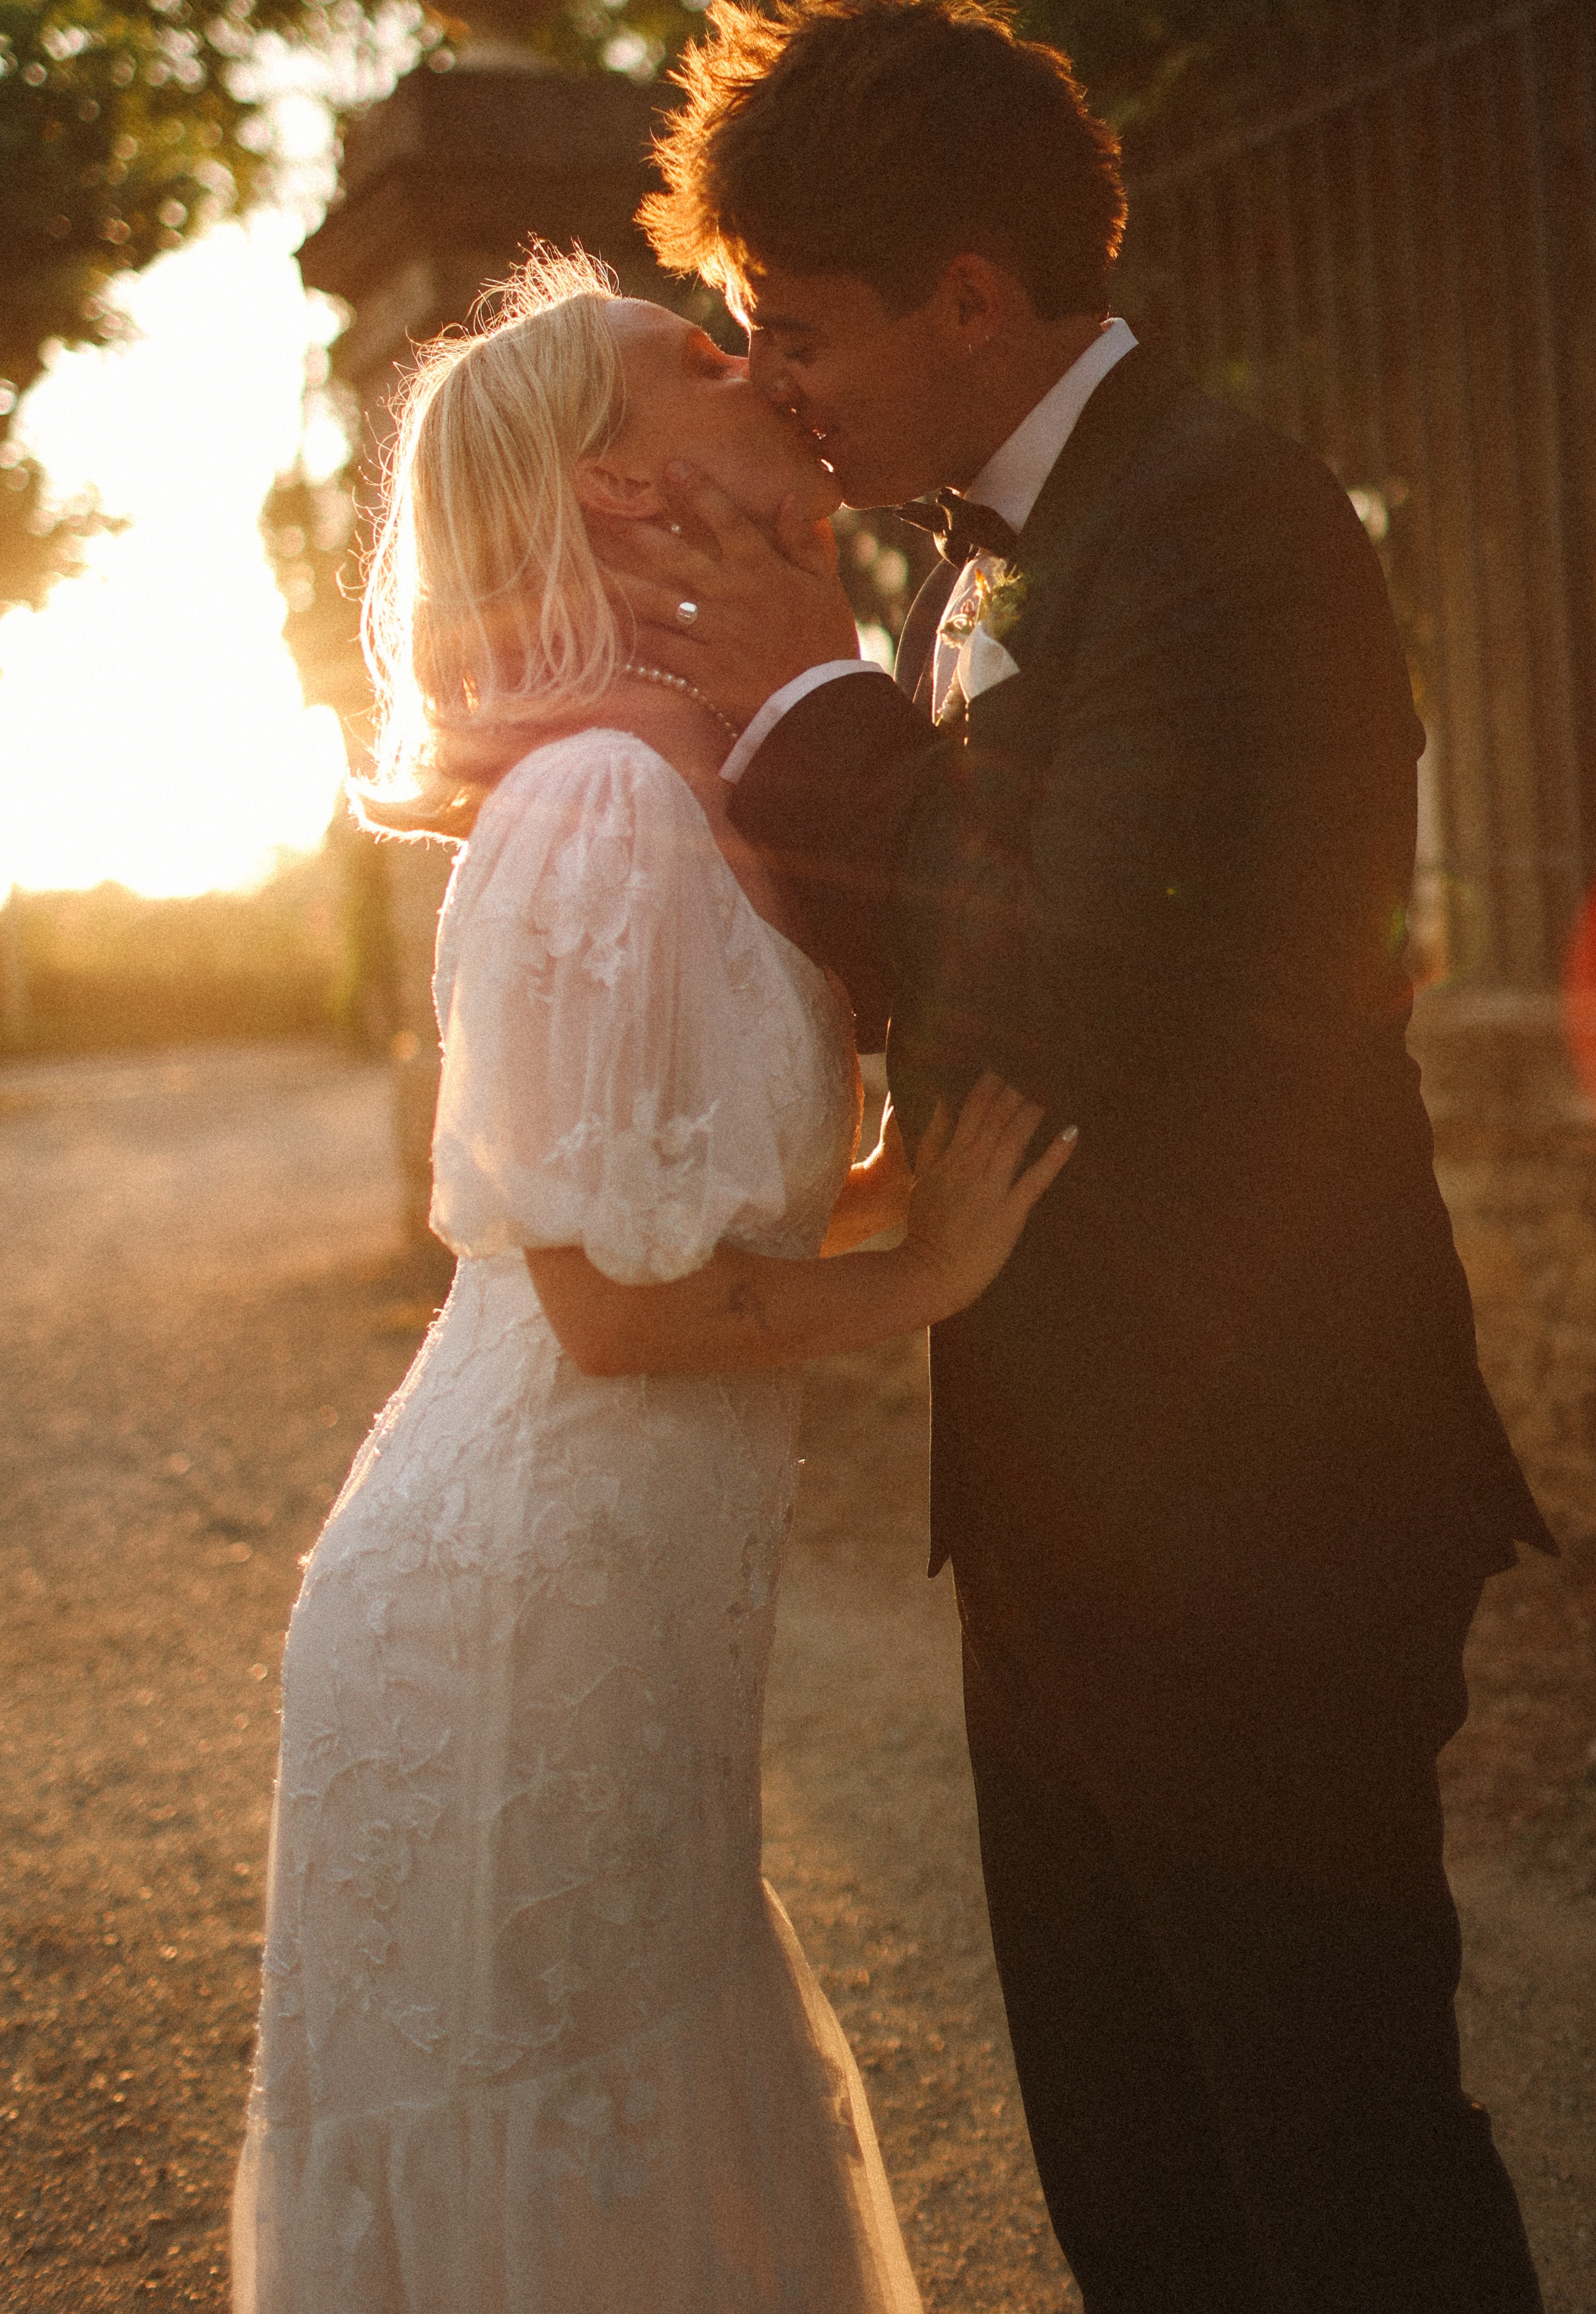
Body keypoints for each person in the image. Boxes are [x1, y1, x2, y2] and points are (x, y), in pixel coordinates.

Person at [615, 0, 1560, 2314]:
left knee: (1331, 2167)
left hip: (1263, 1500)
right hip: (1050, 1502)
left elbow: (1076, 991)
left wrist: (808, 697)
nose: (771, 378)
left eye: (796, 325)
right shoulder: (968, 554)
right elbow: (918, 968)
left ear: (967, 297)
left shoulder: (1226, 519)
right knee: (1131, 2174)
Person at [230, 248, 1075, 2314]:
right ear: (618, 489)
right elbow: (613, 1311)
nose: (761, 364)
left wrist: (890, 1187)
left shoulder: (705, 771)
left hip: (629, 1602)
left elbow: (703, 1210)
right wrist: (929, 1272)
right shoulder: (602, 802)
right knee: (568, 2145)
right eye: (701, 359)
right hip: (516, 1609)